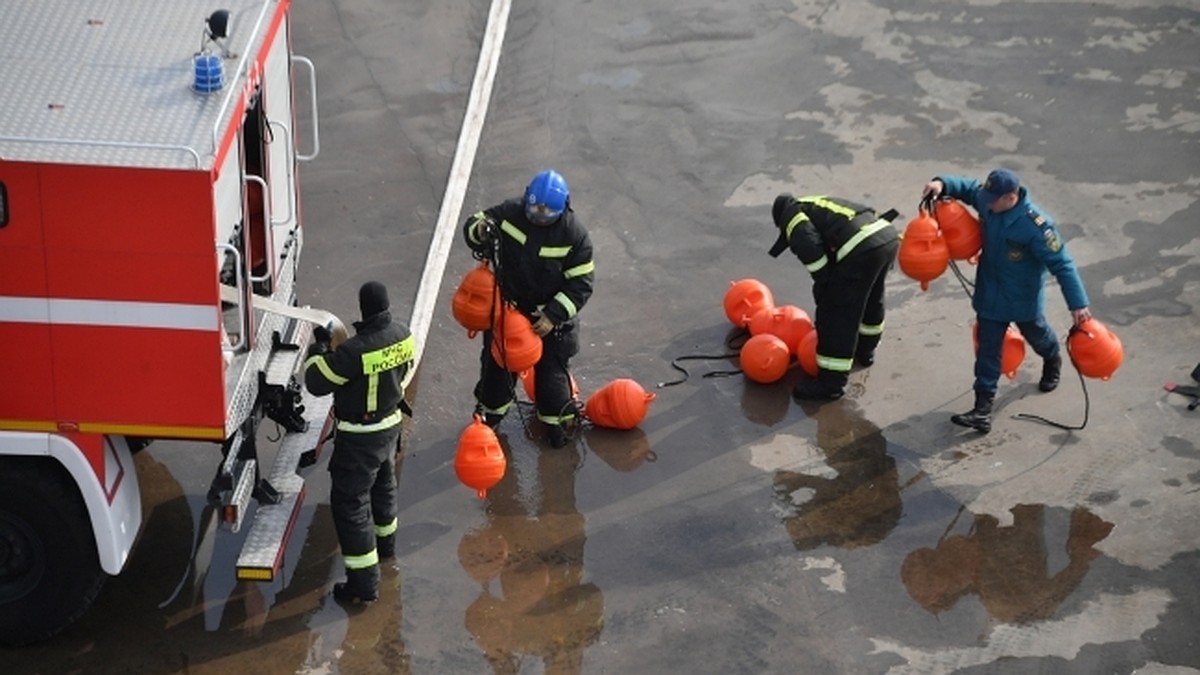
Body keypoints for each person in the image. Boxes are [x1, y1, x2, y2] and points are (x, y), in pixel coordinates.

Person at [922, 169, 1092, 433]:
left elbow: (1063, 265)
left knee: (1038, 335)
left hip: (1022, 300)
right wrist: (941, 184)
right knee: (988, 351)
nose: (986, 202)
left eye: (993, 199)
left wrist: (1078, 304)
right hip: (990, 295)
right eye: (986, 197)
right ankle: (982, 410)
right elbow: (969, 190)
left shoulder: (1036, 226)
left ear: (1011, 197)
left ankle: (1052, 357)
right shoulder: (990, 201)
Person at [463, 169, 595, 448]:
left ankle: (556, 425)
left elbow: (581, 284)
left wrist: (553, 315)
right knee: (496, 369)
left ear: (562, 209)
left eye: (546, 212)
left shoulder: (574, 236)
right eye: (533, 208)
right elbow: (477, 223)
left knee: (552, 376)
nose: (538, 215)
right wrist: (480, 231)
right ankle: (489, 417)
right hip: (508, 310)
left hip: (549, 320)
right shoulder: (512, 213)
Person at [305, 281, 415, 603]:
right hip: (391, 425)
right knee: (384, 488)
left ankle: (363, 585)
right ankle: (386, 549)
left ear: (364, 309)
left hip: (360, 438)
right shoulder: (404, 335)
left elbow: (316, 381)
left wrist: (320, 348)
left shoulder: (355, 351)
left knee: (351, 505)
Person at [769, 193, 900, 401]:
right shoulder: (816, 204)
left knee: (837, 313)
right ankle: (866, 351)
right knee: (872, 297)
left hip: (861, 244)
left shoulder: (791, 215)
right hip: (886, 237)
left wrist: (825, 285)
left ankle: (830, 384)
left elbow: (810, 247)